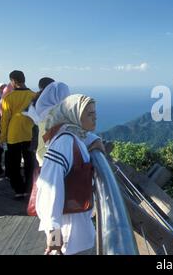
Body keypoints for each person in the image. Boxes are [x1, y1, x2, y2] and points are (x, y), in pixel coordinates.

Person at [35, 94, 104, 255]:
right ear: (74, 116)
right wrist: (53, 237)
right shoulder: (64, 143)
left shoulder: (74, 136)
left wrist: (95, 140)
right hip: (70, 238)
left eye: (95, 113)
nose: (95, 118)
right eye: (89, 114)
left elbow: (86, 139)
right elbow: (50, 187)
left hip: (79, 234)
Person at [0, 71, 36, 198]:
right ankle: (29, 187)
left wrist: (2, 137)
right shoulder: (34, 95)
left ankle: (19, 190)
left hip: (13, 134)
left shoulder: (8, 98)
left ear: (13, 81)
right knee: (29, 162)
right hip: (29, 132)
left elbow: (5, 120)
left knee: (13, 163)